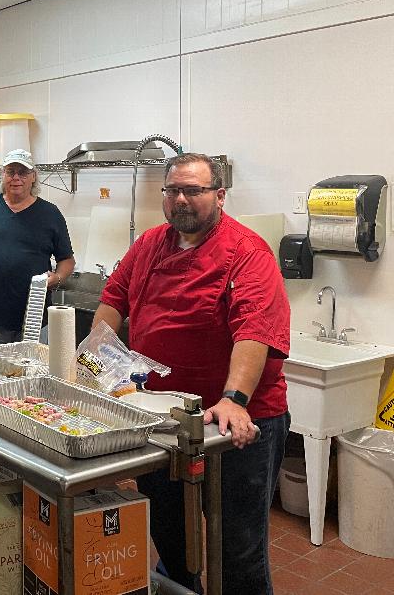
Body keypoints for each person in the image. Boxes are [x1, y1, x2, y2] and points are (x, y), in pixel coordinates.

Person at [92, 152, 290, 594]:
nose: (181, 199)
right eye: (173, 190)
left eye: (193, 191)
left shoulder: (247, 252)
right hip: (162, 419)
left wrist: (234, 399)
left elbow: (254, 330)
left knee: (237, 550)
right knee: (170, 536)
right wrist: (99, 365)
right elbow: (113, 301)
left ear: (219, 196)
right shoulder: (149, 244)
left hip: (235, 422)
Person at [0, 147, 75, 345]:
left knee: (33, 364)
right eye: (11, 172)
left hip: (35, 319)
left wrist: (58, 278)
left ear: (33, 176)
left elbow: (67, 260)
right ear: (3, 175)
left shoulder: (50, 213)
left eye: (23, 172)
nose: (16, 177)